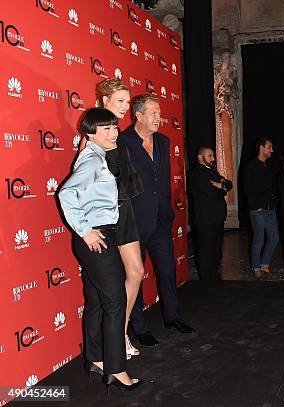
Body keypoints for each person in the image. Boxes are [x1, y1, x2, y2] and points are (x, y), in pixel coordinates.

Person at [58, 108, 142, 393]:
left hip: (100, 236)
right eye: (105, 129)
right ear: (90, 134)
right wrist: (85, 231)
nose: (113, 132)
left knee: (96, 302)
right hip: (98, 239)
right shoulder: (93, 159)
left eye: (114, 127)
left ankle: (95, 359)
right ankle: (117, 369)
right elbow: (67, 194)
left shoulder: (98, 156)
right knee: (115, 303)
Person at [122, 94, 195, 347]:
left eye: (159, 112)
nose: (159, 117)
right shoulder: (123, 142)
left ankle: (172, 316)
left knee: (167, 270)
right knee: (135, 275)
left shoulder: (164, 142)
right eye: (153, 113)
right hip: (135, 222)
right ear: (138, 115)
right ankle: (138, 326)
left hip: (161, 220)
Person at [93, 79, 145, 360]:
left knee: (136, 272)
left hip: (125, 211)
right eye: (120, 102)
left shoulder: (117, 135)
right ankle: (115, 339)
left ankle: (120, 333)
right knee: (112, 284)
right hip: (108, 215)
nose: (125, 107)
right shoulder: (94, 135)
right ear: (104, 102)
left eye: (127, 102)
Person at [189, 146, 232, 282]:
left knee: (216, 250)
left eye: (213, 155)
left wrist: (220, 185)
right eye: (210, 156)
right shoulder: (197, 174)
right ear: (200, 157)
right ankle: (206, 280)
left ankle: (214, 276)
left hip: (217, 217)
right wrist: (222, 188)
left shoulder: (213, 171)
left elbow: (229, 184)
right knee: (206, 250)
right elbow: (211, 192)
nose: (213, 158)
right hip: (205, 219)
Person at [244, 137, 280, 279]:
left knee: (274, 237)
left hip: (270, 208)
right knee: (259, 239)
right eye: (269, 147)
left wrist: (274, 201)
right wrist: (255, 206)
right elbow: (247, 188)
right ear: (261, 148)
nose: (272, 150)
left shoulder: (268, 166)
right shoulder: (251, 165)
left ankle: (265, 264)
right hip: (258, 209)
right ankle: (256, 266)